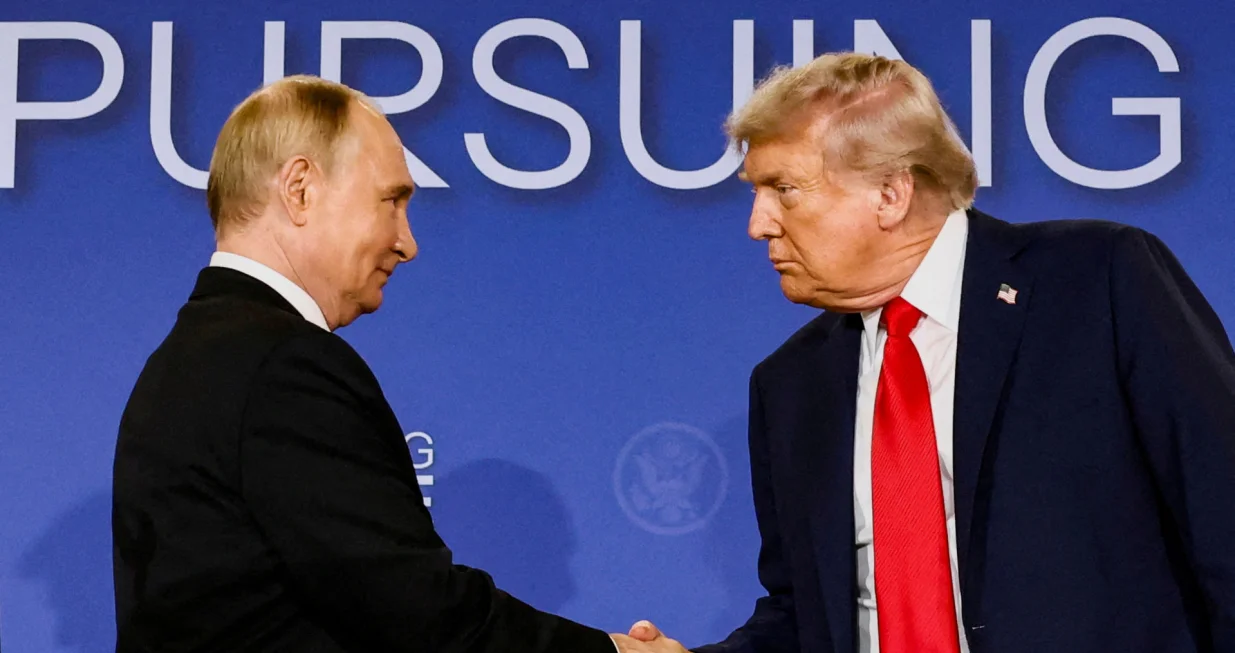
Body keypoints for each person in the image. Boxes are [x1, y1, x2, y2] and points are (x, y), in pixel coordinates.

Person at [627, 52, 1235, 653]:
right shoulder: (790, 385)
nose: (759, 224)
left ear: (890, 194)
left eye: (784, 189)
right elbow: (806, 615)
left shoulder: (1097, 282)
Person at [111, 75, 662, 653]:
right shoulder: (284, 366)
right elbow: (412, 611)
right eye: (391, 200)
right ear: (300, 189)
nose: (407, 242)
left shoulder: (191, 357)